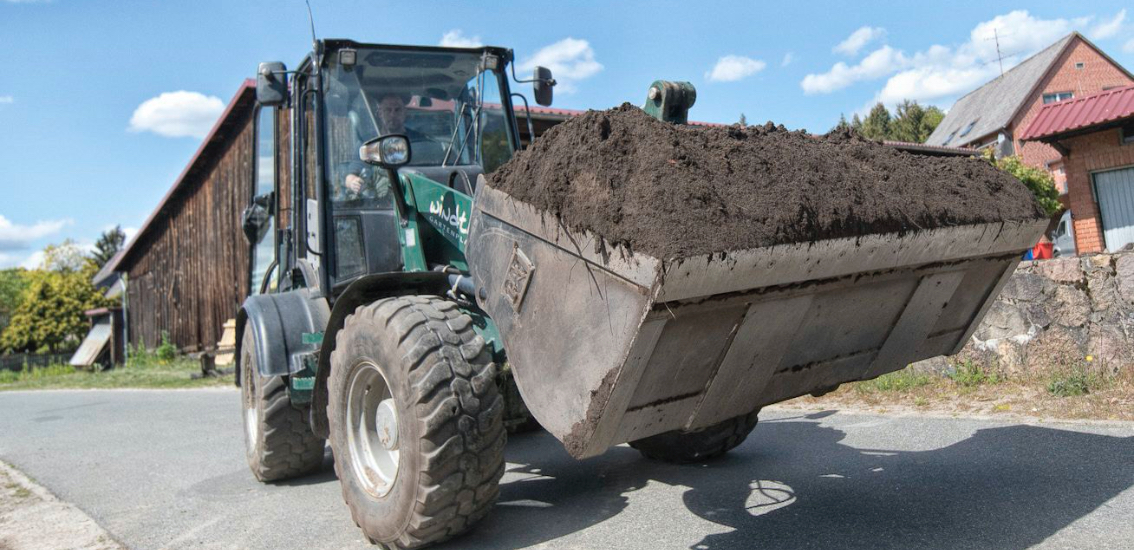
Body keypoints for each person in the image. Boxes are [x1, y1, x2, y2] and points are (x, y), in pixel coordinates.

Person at [340, 93, 427, 200]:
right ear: (379, 113)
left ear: (405, 113)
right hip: (379, 203)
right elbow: (350, 176)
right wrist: (354, 182)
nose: (392, 114)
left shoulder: (419, 140)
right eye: (388, 110)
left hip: (414, 197)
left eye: (397, 110)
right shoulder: (368, 142)